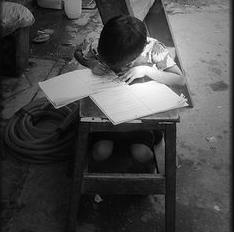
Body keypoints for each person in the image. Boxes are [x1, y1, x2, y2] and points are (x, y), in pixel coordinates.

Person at [74, 15, 185, 172]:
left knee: (142, 154)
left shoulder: (152, 48)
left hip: (140, 120)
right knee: (100, 152)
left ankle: (145, 173)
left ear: (140, 50)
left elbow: (180, 79)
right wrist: (91, 63)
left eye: (123, 64)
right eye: (107, 61)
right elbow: (78, 53)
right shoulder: (96, 41)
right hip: (106, 116)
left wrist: (146, 70)